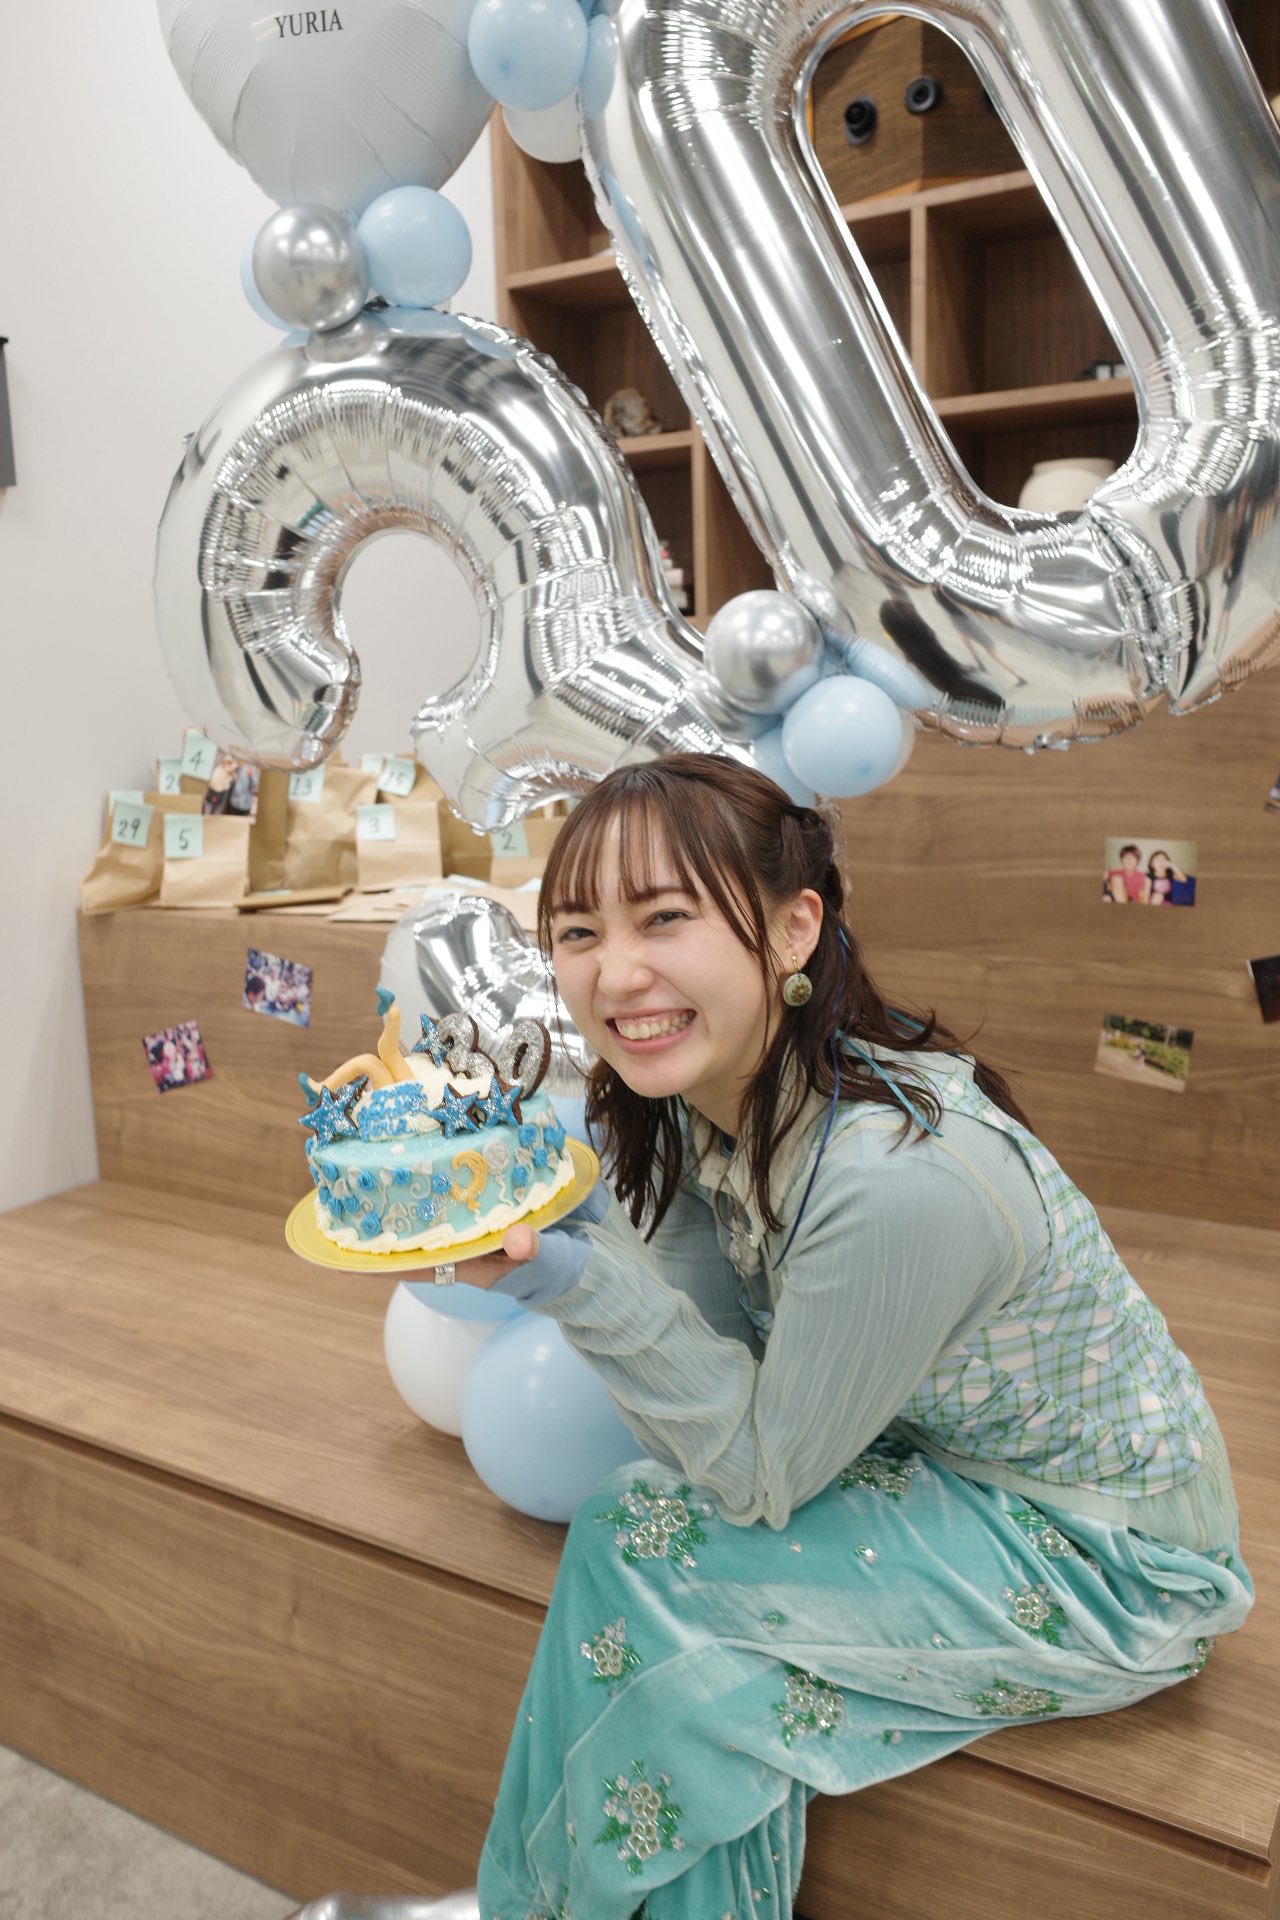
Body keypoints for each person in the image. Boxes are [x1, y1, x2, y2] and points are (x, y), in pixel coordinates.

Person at [456, 753, 1250, 1920]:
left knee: (641, 1552)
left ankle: (532, 1908)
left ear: (793, 927)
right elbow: (716, 1387)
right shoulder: (708, 1103)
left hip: (1108, 1562)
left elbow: (753, 1474)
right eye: (577, 933)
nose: (614, 973)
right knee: (665, 1595)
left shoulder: (889, 1177)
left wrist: (575, 1277)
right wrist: (580, 1228)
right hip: (936, 1467)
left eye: (664, 918)